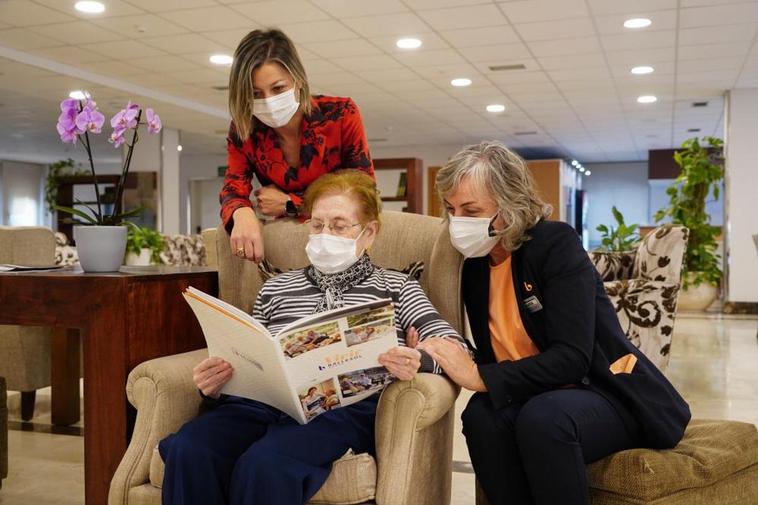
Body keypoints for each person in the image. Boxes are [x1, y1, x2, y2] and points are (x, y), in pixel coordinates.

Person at [159, 170, 465, 505]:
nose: (324, 234)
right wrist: (220, 379)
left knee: (266, 463)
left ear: (369, 233)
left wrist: (417, 358)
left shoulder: (397, 287)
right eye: (317, 225)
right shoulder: (275, 288)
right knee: (190, 448)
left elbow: (455, 347)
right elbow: (253, 352)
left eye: (338, 225)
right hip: (261, 406)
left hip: (341, 410)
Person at [418, 141, 691, 505]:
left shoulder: (554, 244)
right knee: (482, 416)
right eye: (452, 210)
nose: (459, 222)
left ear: (510, 204)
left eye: (472, 210)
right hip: (537, 392)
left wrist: (480, 377)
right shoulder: (475, 264)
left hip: (602, 390)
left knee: (544, 419)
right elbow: (493, 348)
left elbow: (572, 357)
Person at [220, 28, 374, 263]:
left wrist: (290, 204)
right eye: (256, 93)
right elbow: (233, 189)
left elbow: (364, 192)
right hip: (287, 246)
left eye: (278, 88)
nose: (268, 101)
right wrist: (242, 213)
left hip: (341, 241)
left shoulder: (341, 114)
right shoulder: (244, 129)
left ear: (298, 80)